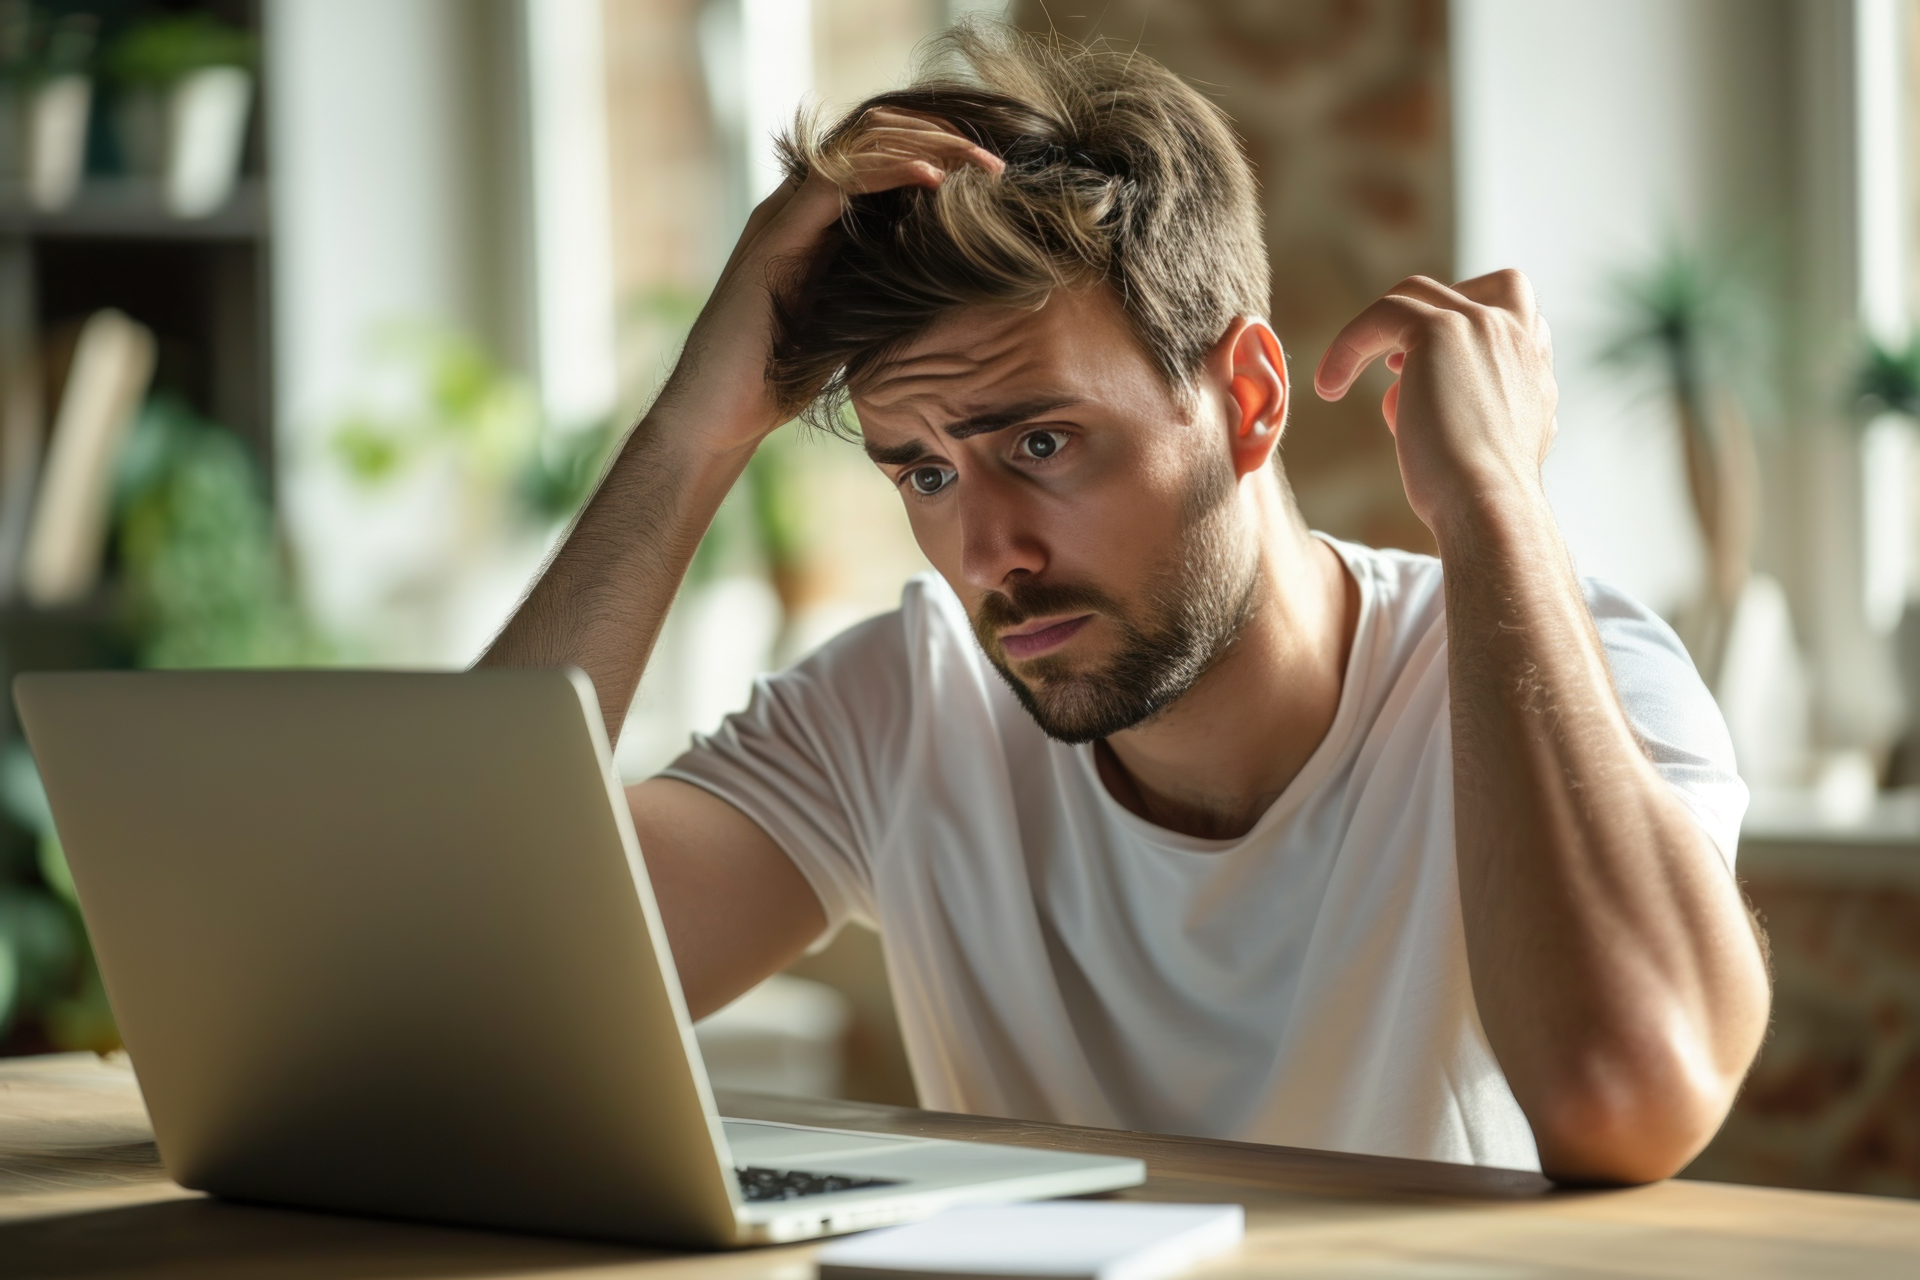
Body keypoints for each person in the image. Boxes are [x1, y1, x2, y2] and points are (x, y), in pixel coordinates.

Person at [481, 24, 1769, 1183]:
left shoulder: (1561, 664)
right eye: (924, 472)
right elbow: (468, 1006)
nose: (985, 553)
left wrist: (1494, 499)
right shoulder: (906, 706)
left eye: (1041, 444)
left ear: (1249, 401)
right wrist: (691, 437)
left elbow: (1625, 1093)